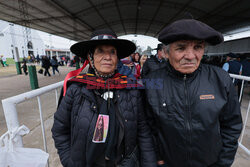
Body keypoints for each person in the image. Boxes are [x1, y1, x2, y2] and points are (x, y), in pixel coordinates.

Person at [144, 19, 242, 167]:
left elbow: (232, 126)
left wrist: (223, 162)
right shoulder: (151, 82)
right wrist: (156, 158)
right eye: (181, 48)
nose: (190, 56)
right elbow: (146, 127)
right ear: (166, 52)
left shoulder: (220, 79)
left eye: (198, 47)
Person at [52, 29, 156, 167]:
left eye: (112, 52)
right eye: (100, 51)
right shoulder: (75, 90)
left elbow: (144, 132)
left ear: (117, 57)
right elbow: (60, 130)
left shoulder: (131, 90)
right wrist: (69, 161)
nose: (108, 57)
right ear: (90, 57)